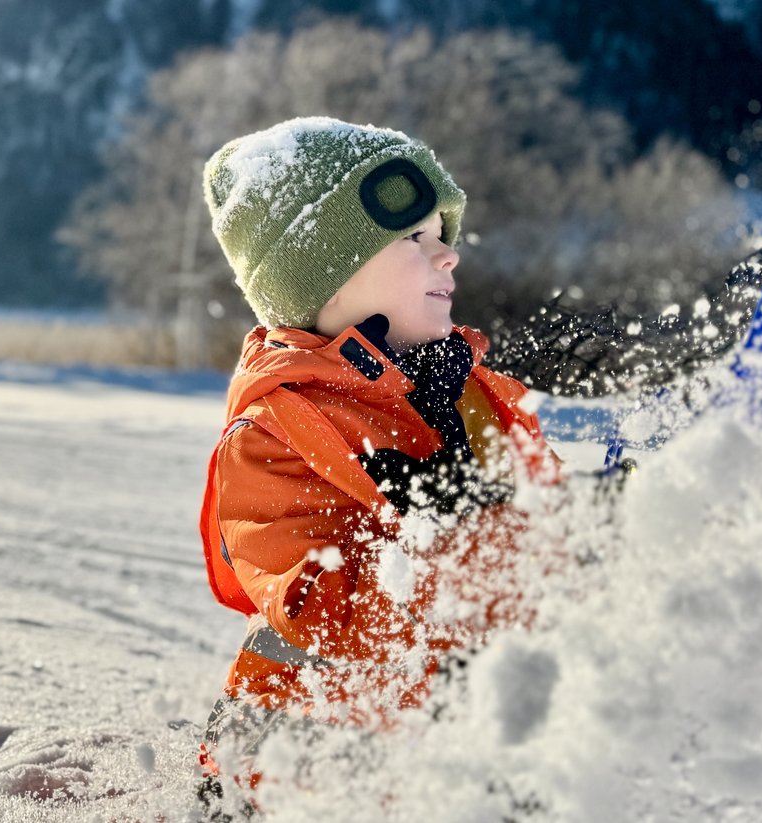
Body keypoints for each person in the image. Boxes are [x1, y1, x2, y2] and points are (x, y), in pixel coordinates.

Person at [193, 118, 561, 812]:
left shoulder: (474, 395)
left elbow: (551, 527)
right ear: (325, 277)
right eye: (414, 239)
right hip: (292, 774)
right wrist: (478, 541)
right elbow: (325, 611)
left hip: (450, 752)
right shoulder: (277, 431)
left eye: (443, 235)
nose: (448, 256)